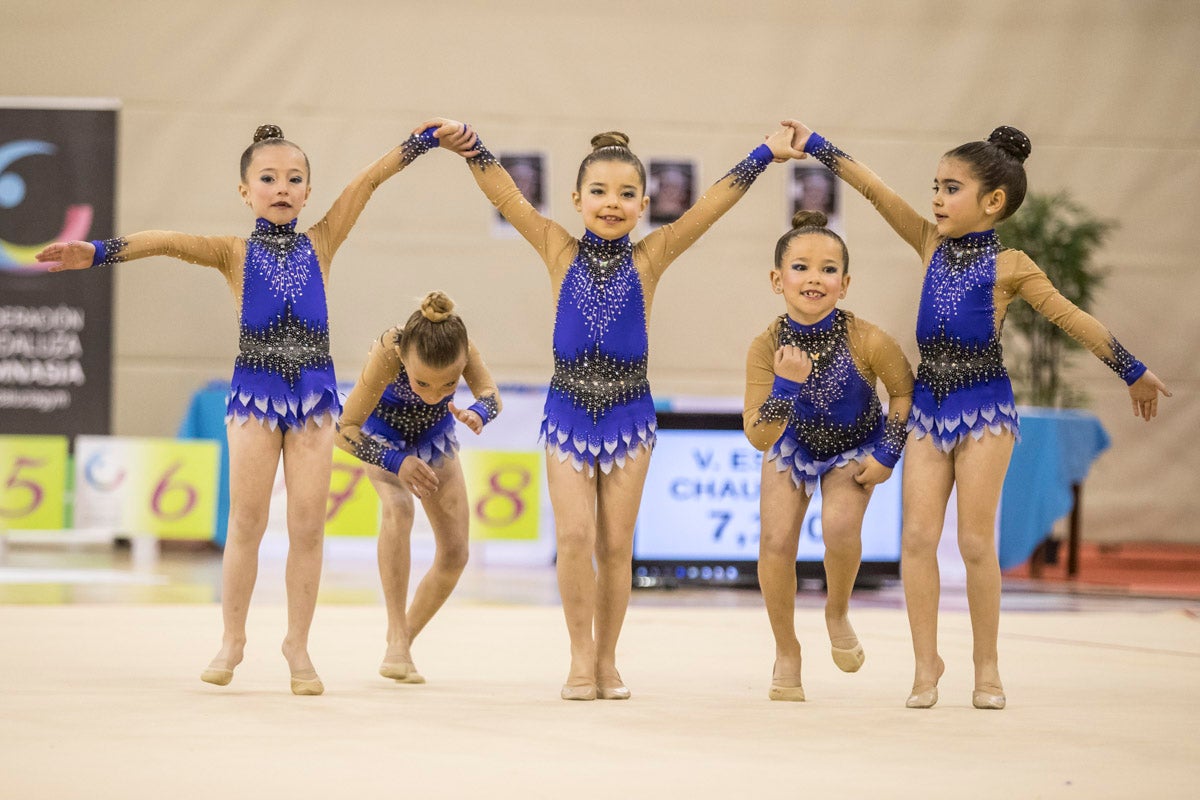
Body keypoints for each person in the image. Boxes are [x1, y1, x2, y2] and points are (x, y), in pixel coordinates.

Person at [36, 122, 476, 695]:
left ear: (309, 191)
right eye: (268, 179)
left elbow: (368, 181)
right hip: (254, 399)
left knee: (307, 529)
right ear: (245, 191)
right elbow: (166, 240)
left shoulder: (322, 241)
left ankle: (298, 644)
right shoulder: (232, 252)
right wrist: (95, 251)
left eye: (295, 179)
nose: (282, 187)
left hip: (315, 403)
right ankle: (232, 639)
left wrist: (424, 140)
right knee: (245, 522)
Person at [780, 119, 1171, 709]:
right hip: (929, 412)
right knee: (915, 537)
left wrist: (1131, 368)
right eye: (936, 184)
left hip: (984, 410)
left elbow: (1070, 317)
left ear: (993, 201)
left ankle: (986, 668)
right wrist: (817, 147)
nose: (936, 197)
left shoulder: (1011, 266)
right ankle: (925, 665)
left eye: (951, 187)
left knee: (974, 543)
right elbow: (873, 188)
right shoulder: (928, 242)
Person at [422, 116, 805, 700]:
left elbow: (708, 207)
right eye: (599, 192)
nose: (612, 203)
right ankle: (579, 659)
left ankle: (607, 661)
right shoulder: (557, 247)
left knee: (615, 546)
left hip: (629, 414)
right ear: (576, 200)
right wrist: (467, 144)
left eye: (627, 194)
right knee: (575, 536)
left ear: (645, 204)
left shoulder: (651, 257)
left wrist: (765, 154)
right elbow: (506, 193)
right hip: (568, 411)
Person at [744, 210, 913, 701]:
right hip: (790, 445)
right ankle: (787, 649)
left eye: (827, 269)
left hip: (854, 446)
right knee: (776, 541)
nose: (813, 278)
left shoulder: (868, 338)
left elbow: (904, 394)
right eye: (800, 267)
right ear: (778, 280)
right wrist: (784, 386)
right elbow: (758, 434)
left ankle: (836, 609)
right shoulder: (765, 346)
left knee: (840, 528)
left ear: (845, 283)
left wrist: (888, 452)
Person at [335, 291, 500, 685]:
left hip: (435, 438)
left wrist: (477, 413)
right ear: (405, 359)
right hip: (383, 437)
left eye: (447, 386)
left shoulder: (464, 345)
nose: (431, 394)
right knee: (399, 508)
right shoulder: (389, 350)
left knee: (456, 553)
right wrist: (395, 461)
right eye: (422, 382)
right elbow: (344, 431)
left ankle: (402, 641)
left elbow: (490, 394)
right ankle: (395, 633)